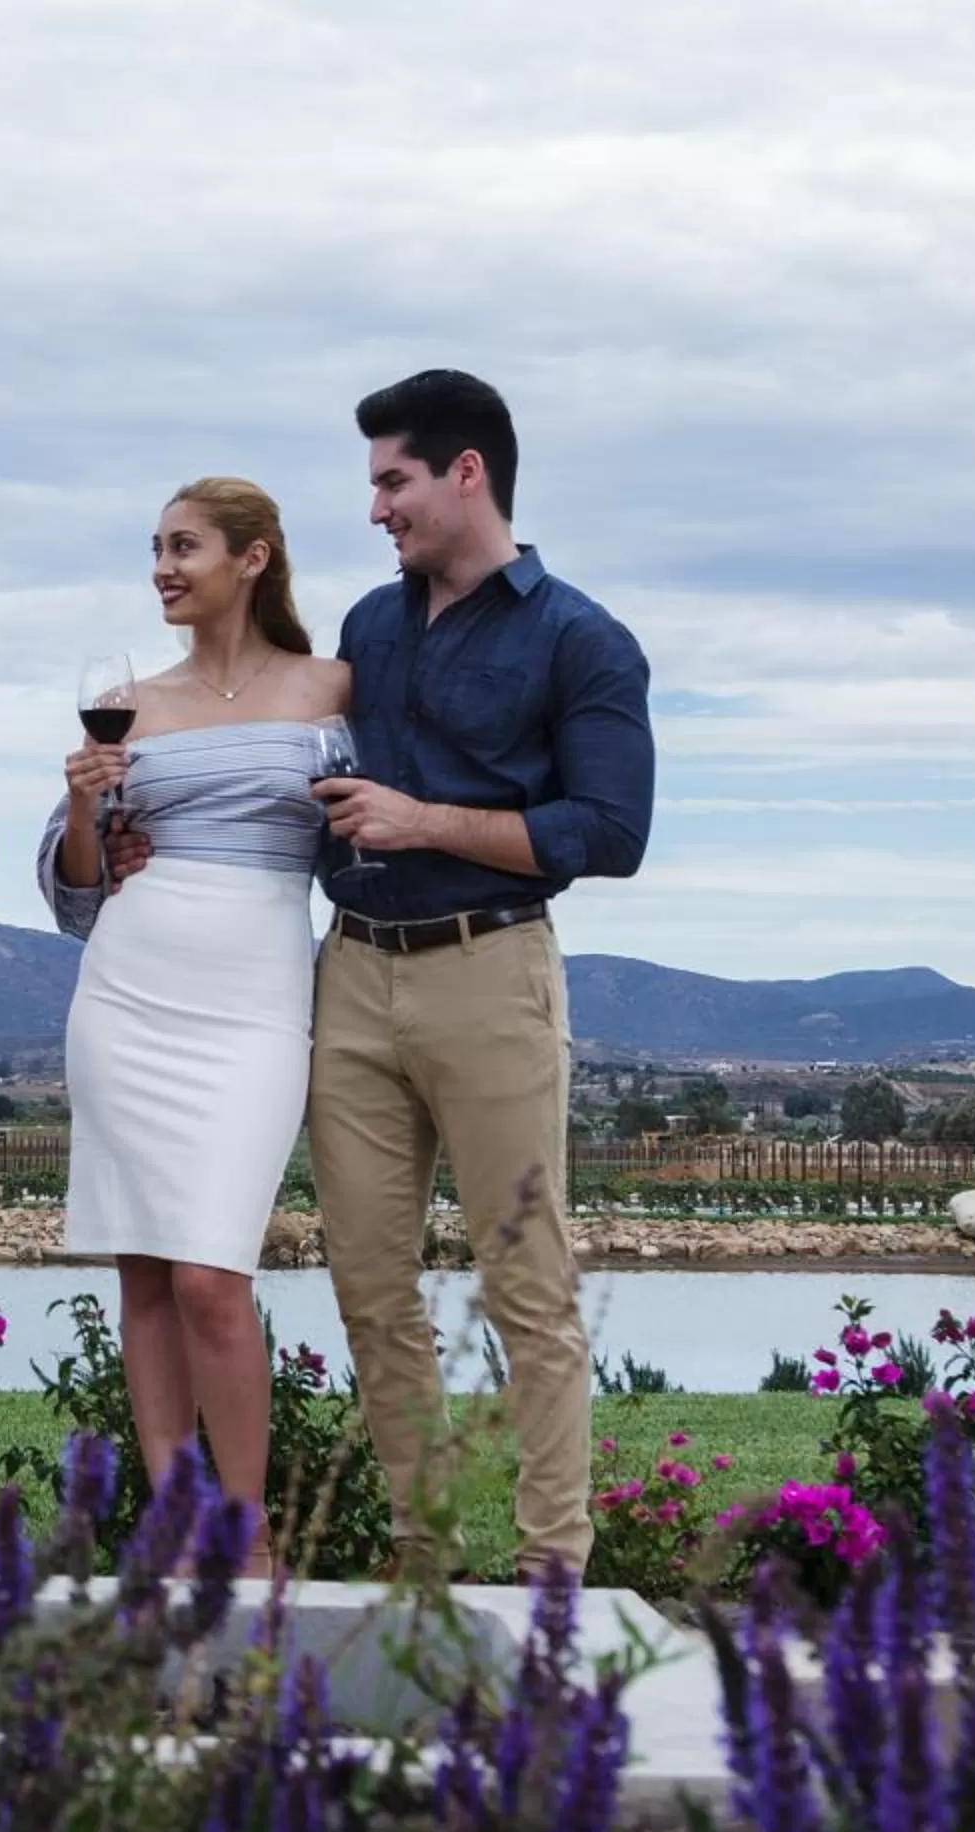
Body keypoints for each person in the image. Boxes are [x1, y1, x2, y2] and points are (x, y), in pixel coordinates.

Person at [108, 372, 655, 1582]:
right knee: (367, 1284)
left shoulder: (582, 638)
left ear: (467, 473)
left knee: (525, 1281)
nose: (374, 508)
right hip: (348, 972)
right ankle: (424, 1551)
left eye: (392, 481)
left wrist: (427, 820)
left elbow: (614, 832)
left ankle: (552, 1561)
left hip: (491, 967)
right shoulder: (369, 628)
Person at [40, 478, 342, 1552]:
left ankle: (248, 1539)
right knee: (147, 1271)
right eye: (156, 549)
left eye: (185, 547)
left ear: (253, 558)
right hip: (127, 996)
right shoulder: (132, 699)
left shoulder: (332, 687)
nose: (163, 568)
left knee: (214, 1275)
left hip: (257, 1005)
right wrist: (86, 804)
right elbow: (77, 893)